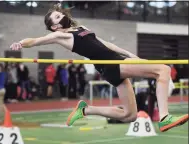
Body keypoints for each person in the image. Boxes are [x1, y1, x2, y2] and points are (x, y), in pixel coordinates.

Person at [10, 4, 188, 132]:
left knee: (130, 115)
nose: (61, 16)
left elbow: (107, 44)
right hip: (111, 64)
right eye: (56, 17)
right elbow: (34, 41)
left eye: (59, 14)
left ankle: (86, 110)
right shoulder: (60, 35)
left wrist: (131, 55)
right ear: (55, 26)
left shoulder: (81, 28)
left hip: (112, 63)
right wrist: (20, 43)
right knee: (163, 70)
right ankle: (164, 118)